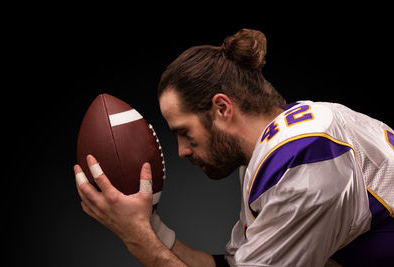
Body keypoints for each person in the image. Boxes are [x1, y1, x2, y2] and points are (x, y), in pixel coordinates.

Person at [74, 29, 394, 266]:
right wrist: (147, 225)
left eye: (185, 132)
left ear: (222, 109)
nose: (182, 151)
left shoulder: (304, 159)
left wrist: (137, 238)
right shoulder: (276, 144)